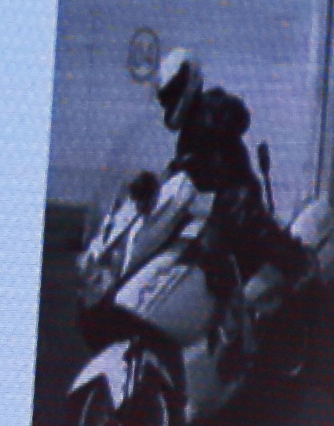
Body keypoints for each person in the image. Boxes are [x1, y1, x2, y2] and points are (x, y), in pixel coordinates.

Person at [130, 39, 309, 368]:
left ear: (189, 82)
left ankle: (241, 332)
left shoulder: (212, 105)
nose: (169, 102)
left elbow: (238, 114)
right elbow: (181, 170)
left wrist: (219, 119)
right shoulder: (186, 134)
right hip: (215, 207)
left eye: (172, 93)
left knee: (218, 246)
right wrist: (152, 186)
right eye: (166, 96)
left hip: (239, 200)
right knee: (191, 251)